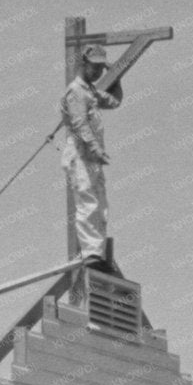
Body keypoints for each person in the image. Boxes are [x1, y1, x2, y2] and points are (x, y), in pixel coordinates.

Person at [59, 43, 123, 267]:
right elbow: (79, 123)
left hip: (92, 157)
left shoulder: (91, 91)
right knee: (88, 202)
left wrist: (114, 72)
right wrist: (96, 148)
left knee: (100, 204)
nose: (96, 72)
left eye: (100, 69)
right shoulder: (76, 91)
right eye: (93, 67)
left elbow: (114, 101)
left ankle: (97, 250)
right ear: (83, 64)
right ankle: (90, 253)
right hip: (80, 153)